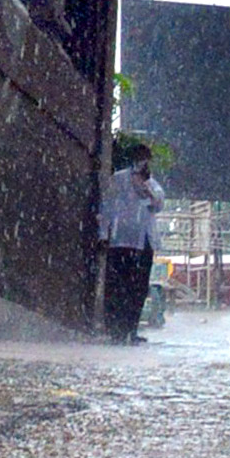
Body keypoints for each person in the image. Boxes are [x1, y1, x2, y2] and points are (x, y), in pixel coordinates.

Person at [98, 144, 165, 344]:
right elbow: (107, 207)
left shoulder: (152, 184)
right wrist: (103, 234)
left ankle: (131, 329)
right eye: (140, 158)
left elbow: (157, 205)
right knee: (117, 286)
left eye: (146, 159)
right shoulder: (118, 180)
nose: (143, 163)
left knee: (138, 288)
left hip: (143, 242)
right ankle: (115, 330)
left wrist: (144, 185)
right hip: (121, 241)